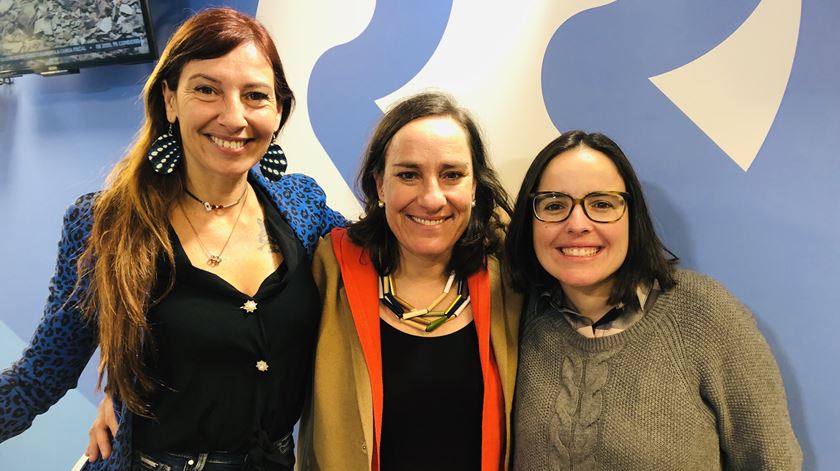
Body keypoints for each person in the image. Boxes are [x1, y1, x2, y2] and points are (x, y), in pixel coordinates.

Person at [0, 7, 345, 471]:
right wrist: (122, 392)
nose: (234, 117)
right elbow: (39, 375)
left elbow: (385, 255)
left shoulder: (302, 206)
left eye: (255, 95)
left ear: (278, 109)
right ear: (169, 100)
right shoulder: (105, 225)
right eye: (206, 89)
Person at [505, 130, 802, 469]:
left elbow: (773, 461)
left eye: (601, 204)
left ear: (633, 217)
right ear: (530, 221)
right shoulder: (518, 314)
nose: (577, 224)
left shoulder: (704, 314)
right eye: (554, 205)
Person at [295, 92, 522, 471]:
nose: (432, 198)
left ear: (474, 187)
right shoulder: (329, 269)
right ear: (380, 186)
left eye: (452, 175)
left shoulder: (512, 279)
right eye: (408, 175)